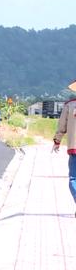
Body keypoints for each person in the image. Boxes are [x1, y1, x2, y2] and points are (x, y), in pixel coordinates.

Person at [53, 83, 76, 217]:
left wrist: (57, 141)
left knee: (73, 177)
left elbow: (62, 125)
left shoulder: (69, 105)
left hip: (74, 148)